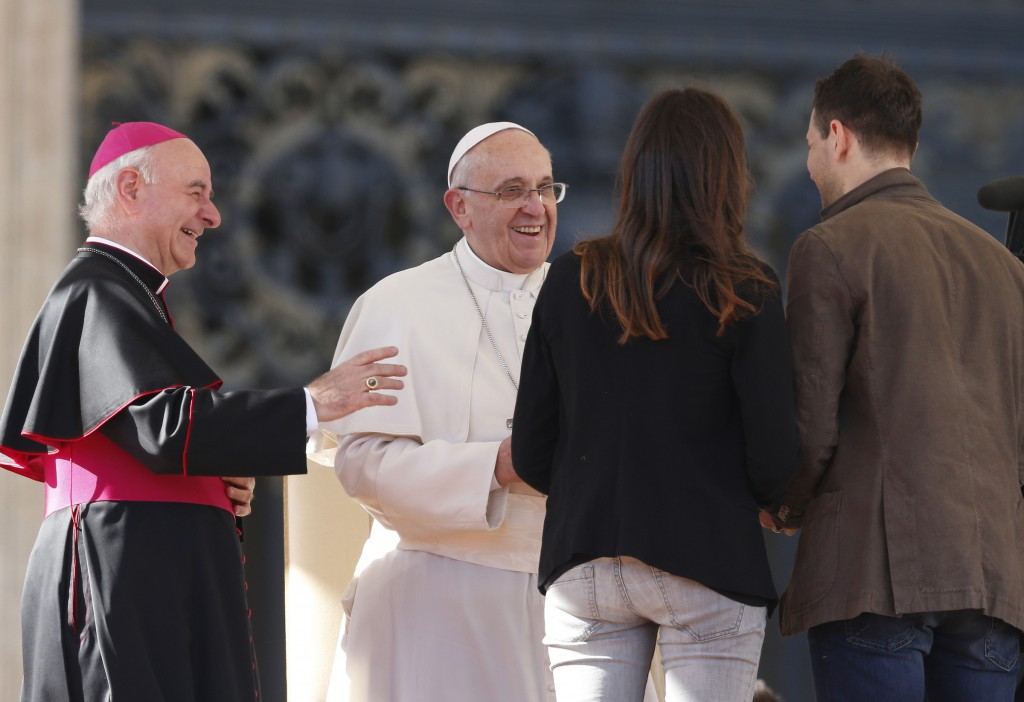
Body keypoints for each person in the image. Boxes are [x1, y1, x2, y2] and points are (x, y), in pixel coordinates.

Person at [0, 121, 406, 702]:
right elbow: (161, 425)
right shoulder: (94, 290)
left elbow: (146, 428)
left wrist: (211, 475)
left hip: (151, 562)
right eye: (197, 192)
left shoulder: (128, 295)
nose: (212, 215)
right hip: (120, 567)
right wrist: (313, 404)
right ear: (131, 188)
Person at [314, 121, 632, 702]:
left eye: (544, 188)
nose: (535, 206)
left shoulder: (593, 304)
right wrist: (495, 467)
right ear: (458, 207)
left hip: (572, 598)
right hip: (435, 600)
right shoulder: (397, 304)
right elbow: (362, 465)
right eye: (511, 190)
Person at [510, 88, 800, 702]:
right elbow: (775, 463)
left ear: (634, 170)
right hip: (706, 560)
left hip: (584, 562)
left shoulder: (570, 278)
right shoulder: (744, 289)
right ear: (727, 175)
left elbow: (533, 455)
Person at [766, 54, 1024, 701]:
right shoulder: (1004, 268)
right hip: (993, 580)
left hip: (877, 576)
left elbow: (812, 419)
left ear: (839, 137)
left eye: (810, 145)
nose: (810, 164)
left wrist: (786, 505)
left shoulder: (830, 244)